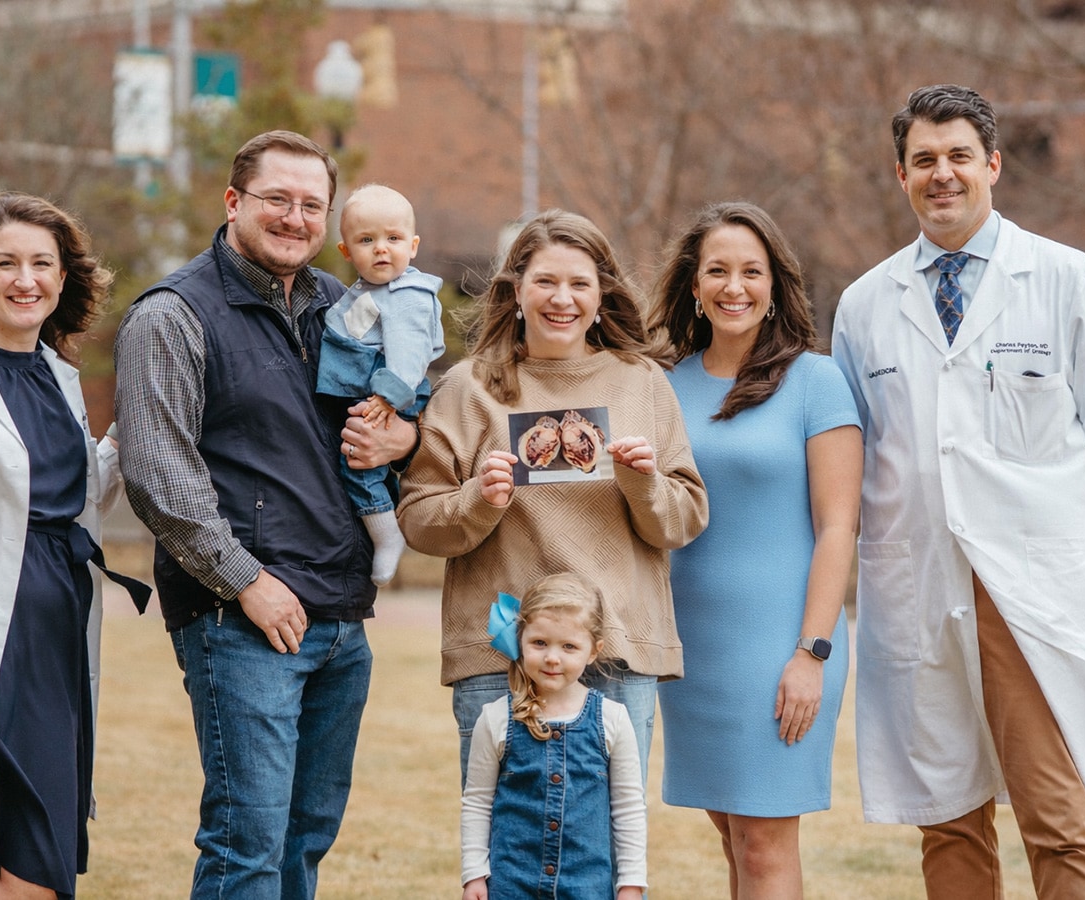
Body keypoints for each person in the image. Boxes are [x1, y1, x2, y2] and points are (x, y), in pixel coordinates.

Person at [113, 131, 420, 899]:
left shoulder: (343, 307)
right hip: (240, 618)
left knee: (303, 842)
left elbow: (395, 415)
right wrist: (246, 581)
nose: (294, 217)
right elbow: (158, 472)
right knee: (245, 845)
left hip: (340, 617)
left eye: (311, 204)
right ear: (233, 202)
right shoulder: (174, 314)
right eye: (276, 199)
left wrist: (405, 435)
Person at [831, 84, 1085, 899]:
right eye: (924, 160)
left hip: (1032, 587)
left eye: (958, 156)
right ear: (900, 174)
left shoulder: (1065, 280)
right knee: (947, 816)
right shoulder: (865, 305)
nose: (941, 174)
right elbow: (857, 455)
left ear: (992, 163)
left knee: (1057, 814)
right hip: (918, 581)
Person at [397, 208, 708, 785]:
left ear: (601, 296)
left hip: (614, 647)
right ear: (516, 291)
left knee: (609, 850)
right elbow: (418, 519)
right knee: (504, 844)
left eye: (579, 284)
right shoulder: (467, 389)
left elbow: (684, 519)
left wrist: (645, 487)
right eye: (545, 281)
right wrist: (478, 501)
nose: (561, 299)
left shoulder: (640, 381)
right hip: (501, 648)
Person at [0, 191, 148, 900]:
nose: (25, 279)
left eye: (42, 263)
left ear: (63, 278)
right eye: (6, 262)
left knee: (39, 867)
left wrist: (143, 416)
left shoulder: (60, 377)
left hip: (53, 642)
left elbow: (78, 495)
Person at [648, 201, 862, 899]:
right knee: (733, 839)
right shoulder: (665, 387)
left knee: (766, 846)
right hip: (694, 652)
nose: (734, 286)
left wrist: (812, 654)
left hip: (785, 647)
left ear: (775, 286)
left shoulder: (816, 381)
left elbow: (839, 526)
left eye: (751, 271)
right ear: (693, 286)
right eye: (717, 271)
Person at [461, 572, 646, 900]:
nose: (552, 657)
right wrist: (474, 874)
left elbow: (629, 806)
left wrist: (631, 884)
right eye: (539, 643)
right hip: (511, 885)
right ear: (521, 639)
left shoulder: (612, 719)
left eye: (569, 646)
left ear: (593, 651)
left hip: (587, 887)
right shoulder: (496, 718)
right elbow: (477, 801)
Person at [316, 183, 445, 586]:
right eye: (367, 240)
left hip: (388, 394)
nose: (382, 249)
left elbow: (409, 356)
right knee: (361, 457)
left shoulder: (407, 295)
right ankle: (384, 520)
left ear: (414, 245)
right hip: (372, 391)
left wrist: (388, 400)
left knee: (359, 460)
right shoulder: (370, 290)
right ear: (346, 251)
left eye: (394, 238)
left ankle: (387, 535)